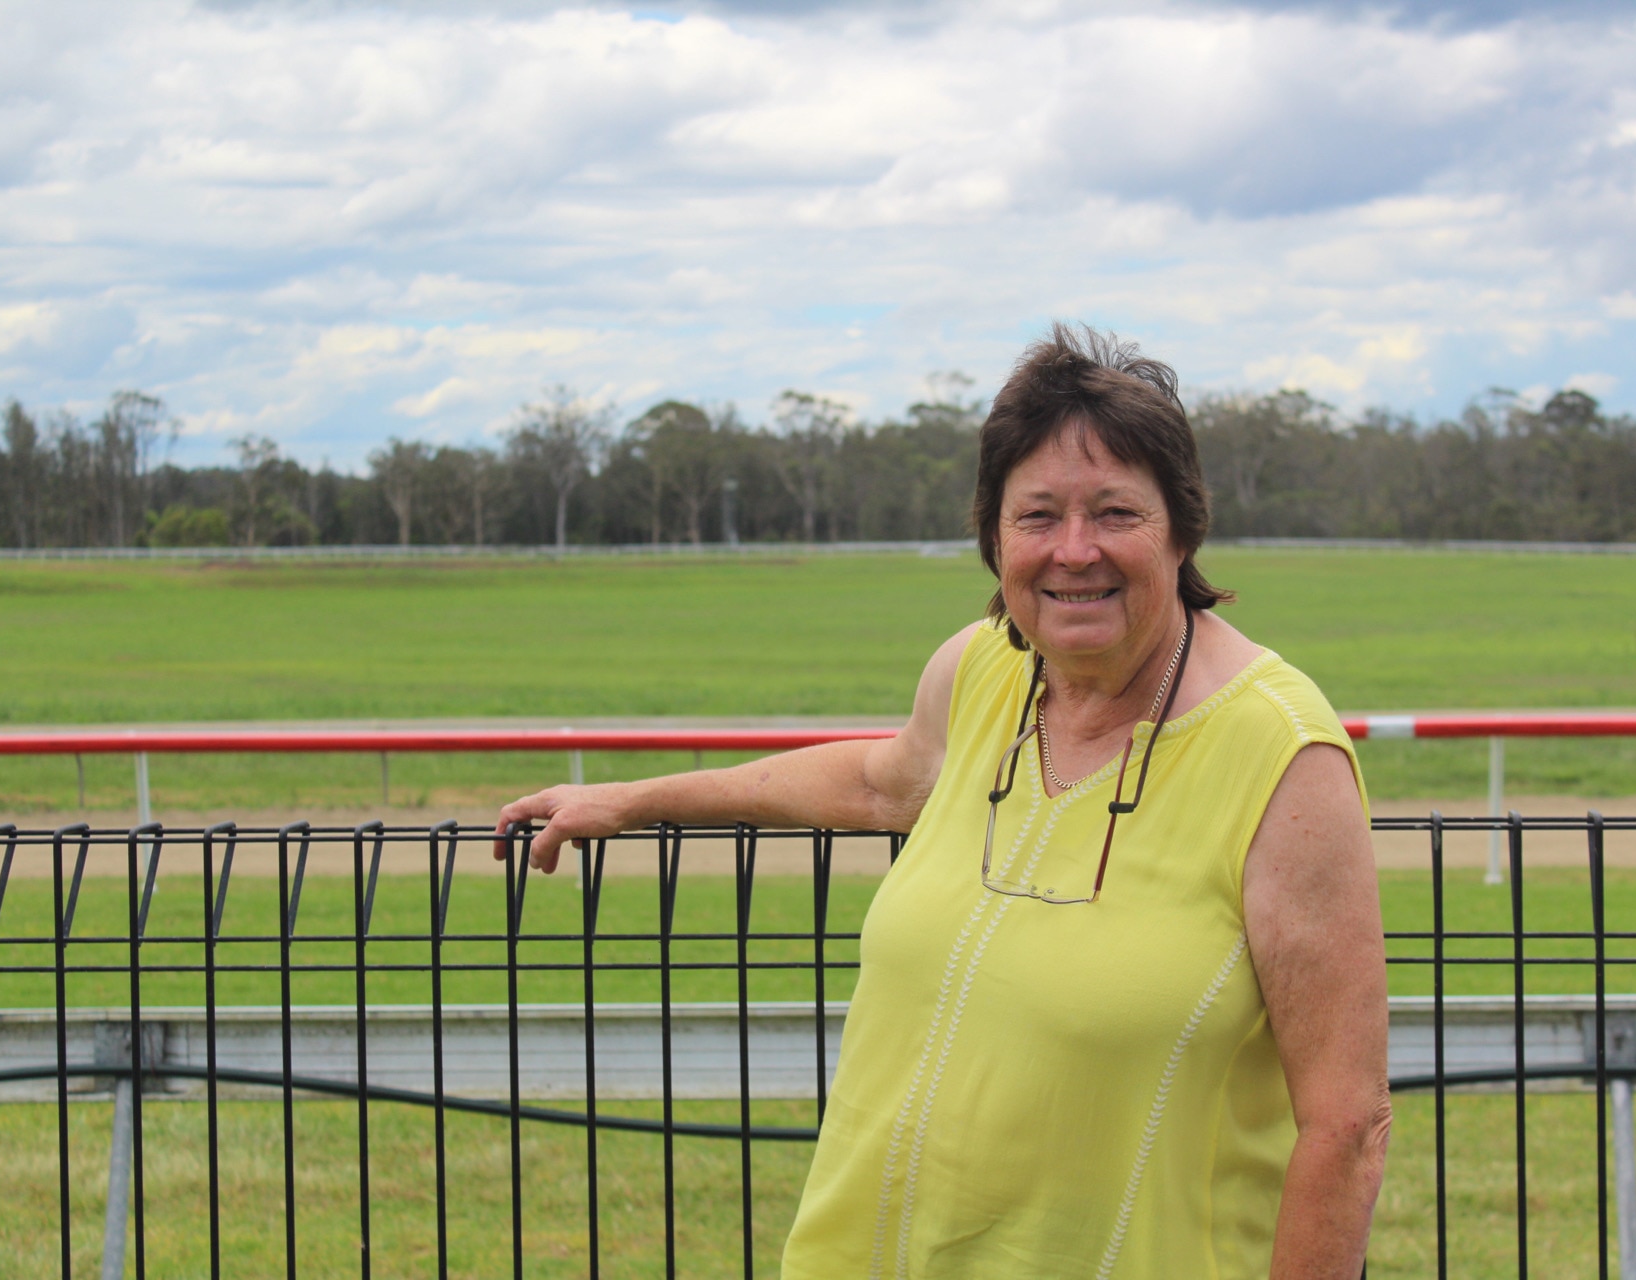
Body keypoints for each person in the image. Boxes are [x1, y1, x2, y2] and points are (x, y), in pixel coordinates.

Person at [497, 325, 1390, 1278]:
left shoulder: (1281, 753)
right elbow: (883, 780)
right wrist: (634, 801)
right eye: (1037, 515)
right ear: (993, 535)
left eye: (1116, 513)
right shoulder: (984, 669)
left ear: (1182, 528)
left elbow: (1347, 1124)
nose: (1074, 551)